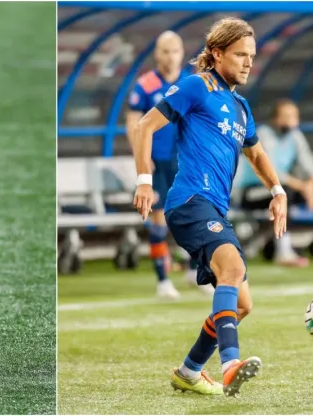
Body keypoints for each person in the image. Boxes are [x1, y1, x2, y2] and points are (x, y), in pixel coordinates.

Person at [132, 17, 286, 397]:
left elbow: (257, 153)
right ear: (216, 54)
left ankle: (189, 371)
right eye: (240, 55)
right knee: (231, 267)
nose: (248, 63)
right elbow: (144, 127)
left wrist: (278, 190)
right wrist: (144, 180)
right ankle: (230, 363)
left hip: (214, 209)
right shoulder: (197, 86)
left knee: (242, 304)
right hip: (189, 201)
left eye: (251, 56)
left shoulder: (241, 107)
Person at [125, 31, 213, 299]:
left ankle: (195, 272)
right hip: (159, 161)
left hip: (186, 161)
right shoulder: (146, 85)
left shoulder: (191, 82)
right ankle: (162, 280)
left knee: (194, 215)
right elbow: (133, 122)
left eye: (175, 50)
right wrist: (142, 158)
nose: (171, 56)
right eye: (165, 51)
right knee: (159, 218)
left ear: (182, 52)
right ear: (157, 54)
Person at [237, 99, 313, 266]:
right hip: (254, 192)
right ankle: (283, 251)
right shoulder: (262, 134)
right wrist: (303, 187)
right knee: (284, 193)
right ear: (275, 119)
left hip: (283, 189)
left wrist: (312, 187)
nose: (290, 120)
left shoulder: (295, 136)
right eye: (286, 116)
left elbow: (310, 168)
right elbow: (271, 172)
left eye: (293, 116)